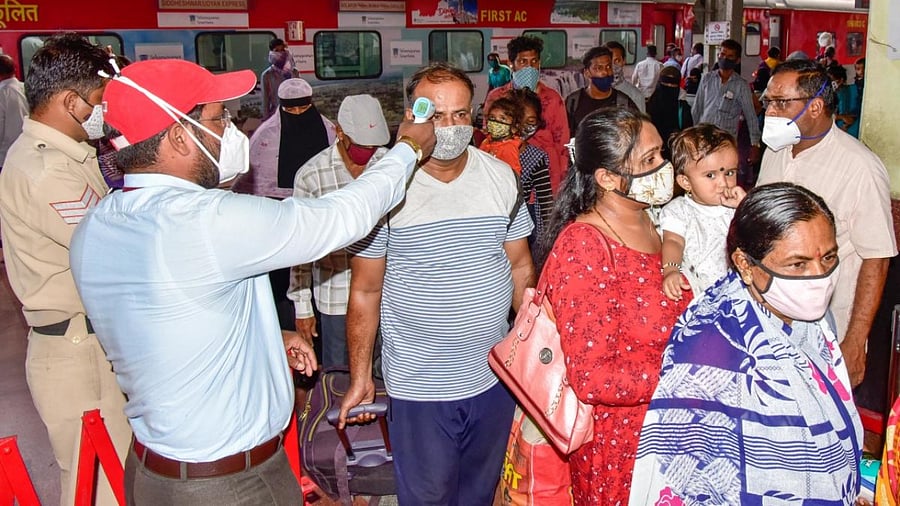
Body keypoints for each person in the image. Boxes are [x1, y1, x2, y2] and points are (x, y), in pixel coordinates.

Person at [68, 58, 435, 503]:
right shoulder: (204, 220)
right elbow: (340, 218)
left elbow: (164, 323)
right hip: (227, 485)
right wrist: (407, 150)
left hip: (153, 471)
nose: (231, 129)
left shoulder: (97, 224)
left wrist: (265, 335)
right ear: (180, 137)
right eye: (218, 117)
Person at [338, 62, 535, 505]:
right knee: (429, 497)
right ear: (412, 116)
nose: (449, 126)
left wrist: (529, 352)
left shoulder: (499, 176)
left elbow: (520, 266)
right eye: (436, 115)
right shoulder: (385, 187)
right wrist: (360, 376)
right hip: (421, 386)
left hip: (494, 379)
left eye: (460, 115)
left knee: (480, 495)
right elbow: (365, 291)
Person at [630, 183, 862, 505]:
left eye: (829, 257)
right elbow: (692, 481)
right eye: (798, 264)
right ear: (745, 264)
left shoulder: (816, 321)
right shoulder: (710, 351)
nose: (820, 277)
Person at [0, 33, 129, 506]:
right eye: (99, 102)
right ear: (71, 102)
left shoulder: (69, 157)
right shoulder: (47, 171)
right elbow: (111, 250)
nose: (104, 112)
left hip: (89, 343)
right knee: (100, 488)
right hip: (78, 352)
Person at [536, 108, 687, 504]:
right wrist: (688, 378)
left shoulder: (654, 219)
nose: (663, 168)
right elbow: (594, 378)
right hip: (622, 447)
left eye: (661, 155)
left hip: (669, 428)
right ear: (606, 179)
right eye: (649, 161)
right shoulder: (584, 247)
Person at [756, 59, 896, 387]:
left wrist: (854, 340)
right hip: (771, 317)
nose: (770, 111)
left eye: (780, 102)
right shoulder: (776, 151)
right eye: (768, 101)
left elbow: (877, 259)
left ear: (816, 106)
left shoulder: (859, 168)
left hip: (827, 327)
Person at [286, 94, 391, 368]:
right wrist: (302, 306)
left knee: (386, 375)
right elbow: (300, 248)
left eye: (374, 145)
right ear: (340, 131)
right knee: (340, 378)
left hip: (386, 297)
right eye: (361, 145)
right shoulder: (311, 176)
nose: (369, 152)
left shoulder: (390, 166)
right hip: (336, 300)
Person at [660, 124, 744, 302]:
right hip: (698, 293)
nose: (723, 183)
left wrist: (746, 207)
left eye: (730, 173)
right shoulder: (678, 211)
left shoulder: (737, 208)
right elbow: (673, 241)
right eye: (710, 175)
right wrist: (671, 270)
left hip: (739, 291)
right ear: (685, 182)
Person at [484, 36, 570, 194]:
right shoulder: (497, 97)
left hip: (547, 176)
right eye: (523, 62)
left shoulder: (553, 99)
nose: (529, 68)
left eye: (534, 62)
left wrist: (562, 184)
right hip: (506, 173)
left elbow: (562, 144)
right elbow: (489, 135)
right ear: (511, 64)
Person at [233, 78, 336, 199]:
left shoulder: (327, 128)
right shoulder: (267, 134)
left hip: (319, 192)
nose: (297, 113)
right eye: (291, 110)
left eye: (303, 108)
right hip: (277, 196)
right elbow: (253, 172)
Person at [692, 39, 761, 165]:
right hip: (704, 139)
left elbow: (751, 116)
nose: (725, 58)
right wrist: (694, 134)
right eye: (722, 54)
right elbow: (697, 109)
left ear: (737, 60)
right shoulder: (707, 79)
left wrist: (755, 144)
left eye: (730, 56)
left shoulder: (741, 85)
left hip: (726, 142)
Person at [509, 88, 553, 254]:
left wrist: (548, 237)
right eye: (519, 120)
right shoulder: (488, 152)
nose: (524, 127)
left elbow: (545, 200)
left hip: (524, 223)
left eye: (531, 121)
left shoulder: (537, 157)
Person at [565, 46, 640, 134]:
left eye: (608, 67)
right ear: (587, 73)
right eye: (599, 68)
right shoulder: (573, 102)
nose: (605, 72)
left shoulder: (624, 103)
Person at [646, 66, 693, 159]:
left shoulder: (682, 107)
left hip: (671, 154)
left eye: (672, 87)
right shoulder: (649, 105)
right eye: (665, 85)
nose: (669, 89)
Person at [479, 96, 523, 174]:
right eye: (492, 117)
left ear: (514, 127)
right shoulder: (486, 142)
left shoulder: (509, 148)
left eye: (503, 118)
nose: (496, 122)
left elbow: (513, 177)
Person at [604, 40, 647, 113]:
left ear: (623, 61)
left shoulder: (635, 96)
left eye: (617, 61)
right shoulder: (593, 92)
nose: (613, 65)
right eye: (608, 62)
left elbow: (641, 123)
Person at [0, 54, 27, 169]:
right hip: (28, 152)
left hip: (6, 157)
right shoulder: (27, 88)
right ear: (14, 69)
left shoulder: (2, 95)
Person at [260, 38, 296, 120]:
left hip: (295, 113)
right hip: (277, 115)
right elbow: (265, 100)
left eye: (282, 50)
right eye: (277, 50)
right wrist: (266, 119)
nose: (281, 53)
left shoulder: (294, 72)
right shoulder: (267, 75)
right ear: (272, 53)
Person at [827, 65, 860, 138]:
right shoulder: (832, 94)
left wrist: (844, 124)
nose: (831, 83)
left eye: (832, 80)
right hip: (841, 131)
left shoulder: (850, 91)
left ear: (841, 80)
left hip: (849, 131)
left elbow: (850, 117)